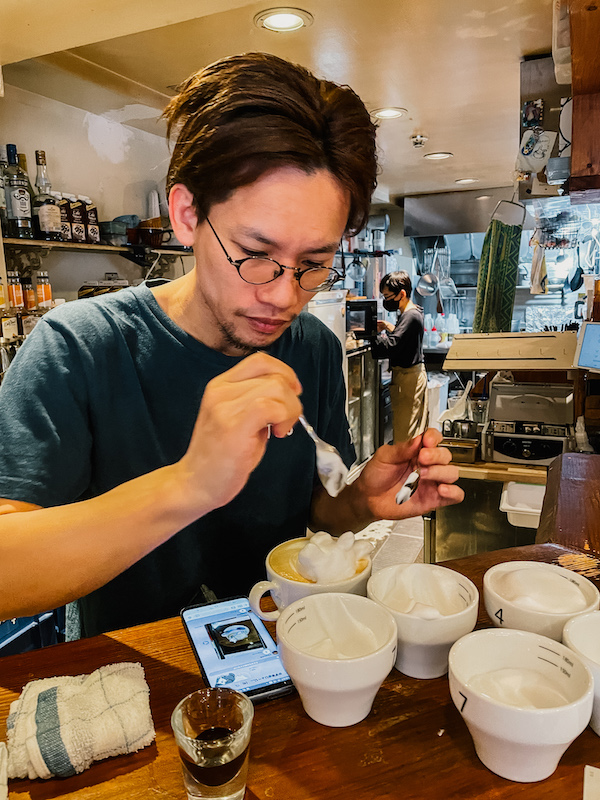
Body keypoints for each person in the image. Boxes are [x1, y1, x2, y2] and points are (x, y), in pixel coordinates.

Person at [0, 53, 462, 638]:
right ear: (188, 215)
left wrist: (357, 502)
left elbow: (317, 509)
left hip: (284, 650)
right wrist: (191, 482)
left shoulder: (313, 347)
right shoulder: (80, 348)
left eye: (313, 265)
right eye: (256, 254)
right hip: (139, 680)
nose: (283, 296)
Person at [372, 271, 428, 442]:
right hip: (411, 375)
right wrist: (390, 327)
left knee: (406, 433)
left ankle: (405, 468)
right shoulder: (412, 312)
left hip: (408, 379)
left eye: (388, 297)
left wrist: (370, 333)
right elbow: (403, 338)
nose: (386, 301)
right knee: (411, 429)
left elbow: (390, 346)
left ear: (402, 294)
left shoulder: (410, 316)